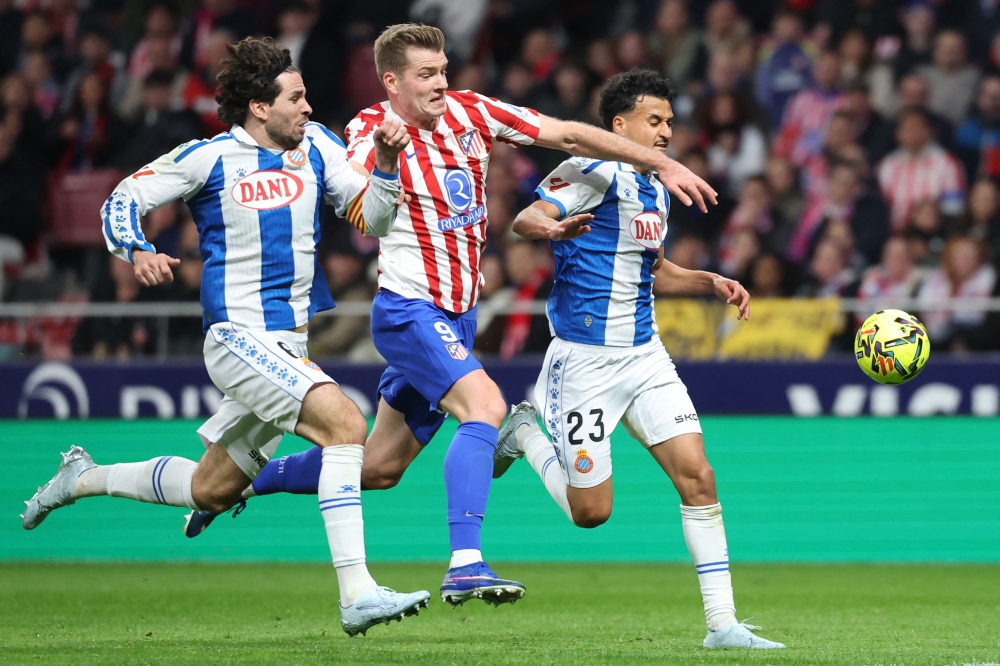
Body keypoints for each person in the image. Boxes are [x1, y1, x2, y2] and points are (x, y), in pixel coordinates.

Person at [182, 25, 718, 609]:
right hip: (409, 308)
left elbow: (564, 133)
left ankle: (241, 484)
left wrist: (659, 163)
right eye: (426, 74)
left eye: (443, 70)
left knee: (382, 467)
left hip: (458, 314)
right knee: (485, 406)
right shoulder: (368, 131)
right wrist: (384, 161)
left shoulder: (472, 112)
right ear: (391, 81)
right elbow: (361, 206)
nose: (442, 82)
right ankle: (465, 564)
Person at [20, 36, 430, 637]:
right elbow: (122, 198)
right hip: (237, 340)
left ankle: (80, 478)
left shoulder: (318, 146)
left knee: (209, 489)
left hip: (288, 347)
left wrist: (387, 167)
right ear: (260, 107)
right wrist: (136, 248)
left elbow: (374, 218)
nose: (309, 108)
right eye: (297, 97)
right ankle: (357, 593)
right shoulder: (205, 158)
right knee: (346, 424)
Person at [493, 69, 783, 650]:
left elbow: (650, 269)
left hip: (646, 356)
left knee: (699, 477)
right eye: (656, 121)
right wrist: (554, 228)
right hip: (584, 363)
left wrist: (708, 280)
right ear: (619, 124)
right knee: (591, 513)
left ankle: (722, 626)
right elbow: (526, 219)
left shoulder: (655, 187)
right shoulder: (590, 169)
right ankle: (524, 432)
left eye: (671, 122)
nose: (667, 132)